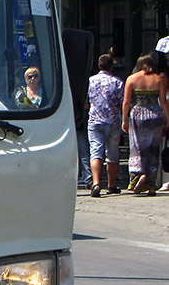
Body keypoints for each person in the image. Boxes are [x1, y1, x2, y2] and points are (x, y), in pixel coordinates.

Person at [121, 53, 169, 195]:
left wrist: (124, 120)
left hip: (138, 114)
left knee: (137, 146)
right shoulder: (158, 79)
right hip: (155, 115)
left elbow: (126, 101)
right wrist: (167, 118)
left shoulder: (132, 79)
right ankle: (151, 183)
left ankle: (137, 175)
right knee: (153, 149)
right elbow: (163, 101)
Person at [87, 53, 124, 196]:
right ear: (112, 67)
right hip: (112, 120)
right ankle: (111, 184)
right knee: (112, 153)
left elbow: (86, 100)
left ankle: (96, 183)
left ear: (98, 66)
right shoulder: (117, 82)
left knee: (96, 151)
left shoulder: (91, 81)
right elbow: (120, 103)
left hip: (95, 120)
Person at [62, 27, 94, 188]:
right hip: (78, 112)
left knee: (80, 147)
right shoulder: (82, 76)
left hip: (72, 113)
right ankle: (88, 177)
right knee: (83, 148)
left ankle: (84, 176)